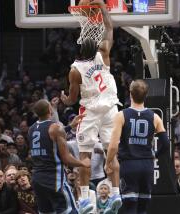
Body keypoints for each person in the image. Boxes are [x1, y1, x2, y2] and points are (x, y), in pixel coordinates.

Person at [60, 0, 121, 211]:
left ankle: (85, 198)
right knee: (110, 153)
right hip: (111, 109)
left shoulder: (75, 70)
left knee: (85, 155)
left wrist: (63, 99)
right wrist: (102, 7)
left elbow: (73, 98)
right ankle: (115, 193)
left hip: (92, 112)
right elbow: (109, 27)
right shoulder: (103, 53)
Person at [105, 80, 170, 214]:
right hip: (147, 165)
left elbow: (112, 146)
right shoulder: (155, 117)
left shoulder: (121, 115)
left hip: (129, 164)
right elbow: (166, 143)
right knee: (143, 207)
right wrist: (155, 155)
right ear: (146, 95)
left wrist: (108, 162)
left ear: (130, 94)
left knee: (130, 207)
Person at [28, 99, 90, 214]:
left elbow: (48, 137)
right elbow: (66, 159)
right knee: (70, 211)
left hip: (37, 179)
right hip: (53, 179)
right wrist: (83, 163)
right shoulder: (55, 127)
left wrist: (70, 126)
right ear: (49, 110)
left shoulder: (31, 129)